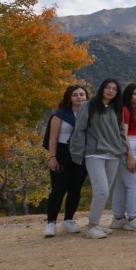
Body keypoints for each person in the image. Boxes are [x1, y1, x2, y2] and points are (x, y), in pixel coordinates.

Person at [70, 79, 130, 239]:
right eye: (108, 88)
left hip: (113, 154)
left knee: (105, 191)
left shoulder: (117, 108)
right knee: (102, 190)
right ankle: (92, 227)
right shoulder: (88, 106)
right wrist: (76, 153)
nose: (110, 91)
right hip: (94, 153)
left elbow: (121, 131)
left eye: (114, 89)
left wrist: (122, 149)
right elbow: (79, 130)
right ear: (102, 89)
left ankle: (96, 224)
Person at [44, 85, 89, 237]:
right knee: (58, 190)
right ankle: (51, 222)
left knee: (75, 190)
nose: (79, 97)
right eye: (75, 95)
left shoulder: (89, 115)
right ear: (69, 97)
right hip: (62, 153)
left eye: (82, 94)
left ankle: (69, 220)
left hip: (81, 155)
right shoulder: (60, 115)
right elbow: (52, 138)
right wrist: (53, 158)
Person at [110, 83, 136, 232]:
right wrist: (130, 155)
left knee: (121, 184)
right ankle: (133, 218)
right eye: (135, 94)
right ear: (128, 94)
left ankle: (118, 218)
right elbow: (123, 134)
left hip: (135, 148)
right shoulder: (125, 110)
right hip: (128, 148)